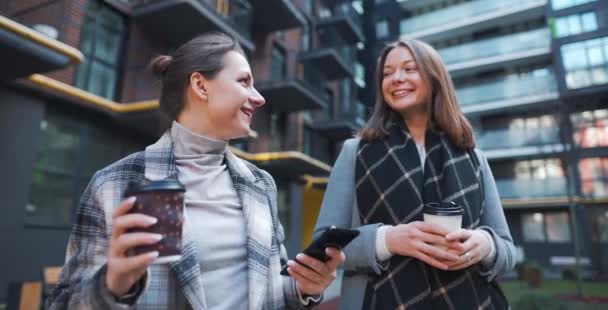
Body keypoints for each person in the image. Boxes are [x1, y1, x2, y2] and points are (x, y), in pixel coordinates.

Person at [47, 32, 344, 309]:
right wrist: (112, 284)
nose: (259, 97)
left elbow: (270, 291)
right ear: (200, 85)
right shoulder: (114, 183)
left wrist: (305, 287)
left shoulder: (260, 183)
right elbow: (63, 302)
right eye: (244, 82)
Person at [313, 39, 516, 309]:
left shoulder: (473, 156)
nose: (396, 79)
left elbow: (506, 249)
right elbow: (324, 241)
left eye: (409, 69)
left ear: (434, 77)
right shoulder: (356, 152)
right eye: (387, 73)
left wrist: (485, 245)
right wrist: (387, 240)